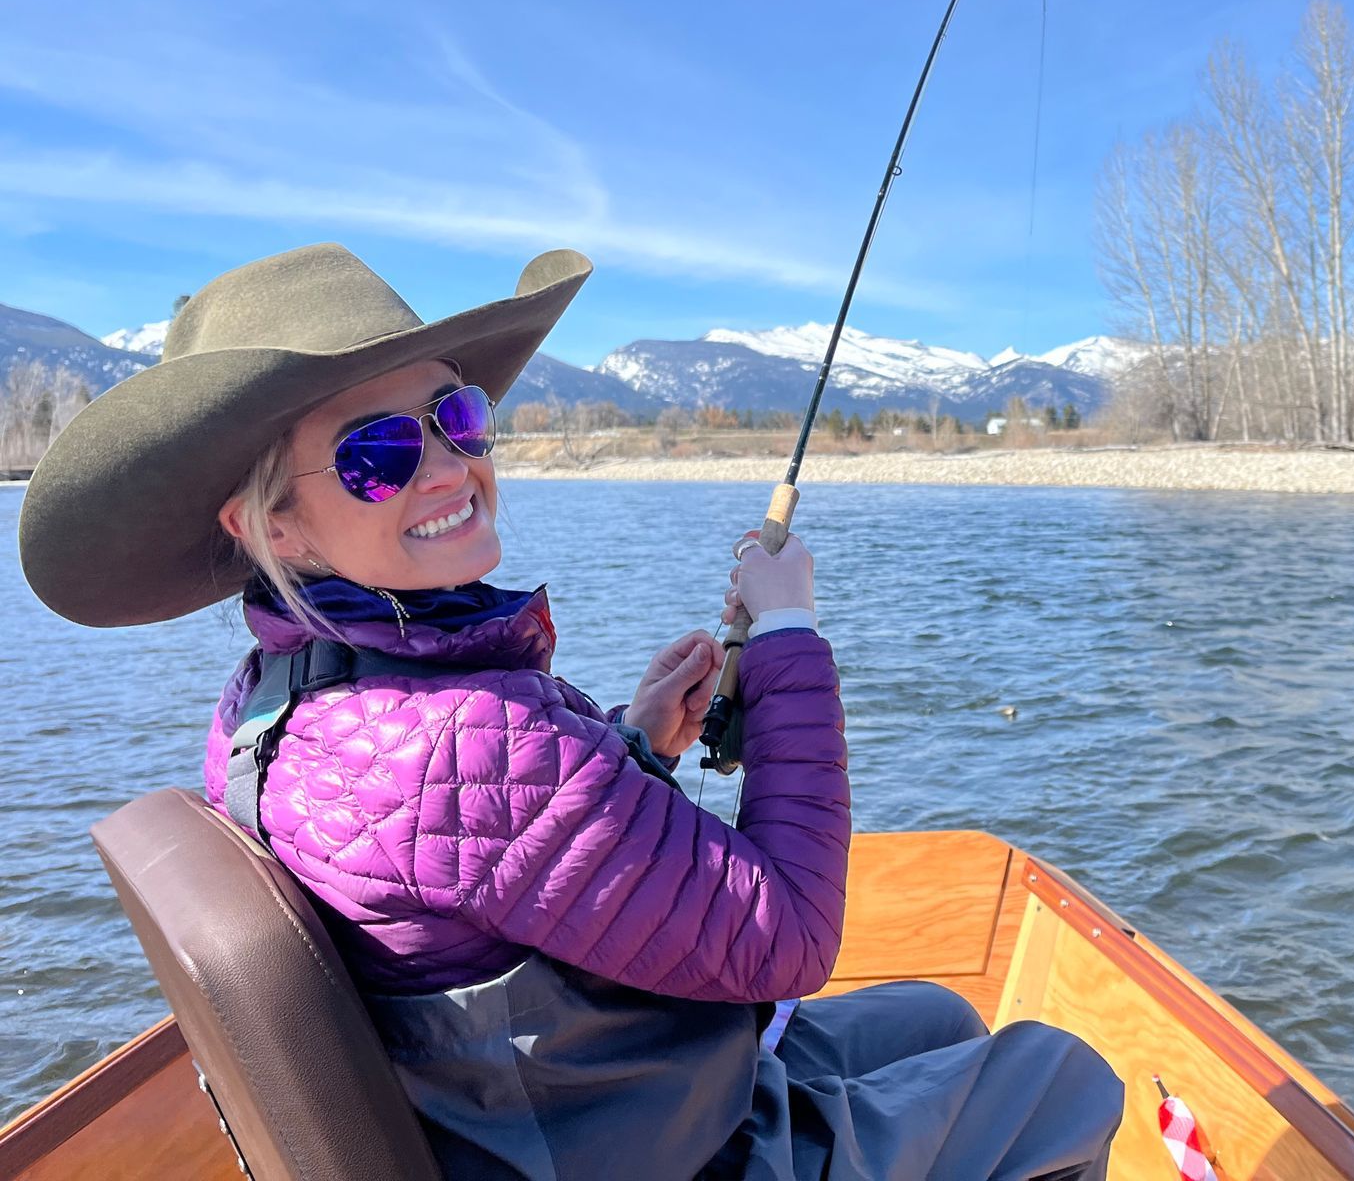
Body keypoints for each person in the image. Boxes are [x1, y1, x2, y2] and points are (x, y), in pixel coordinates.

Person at [17, 243, 1123, 1180]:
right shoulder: (460, 741)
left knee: (933, 1017)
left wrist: (634, 746)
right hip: (658, 1152)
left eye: (454, 414)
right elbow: (789, 937)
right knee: (1063, 1078)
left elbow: (468, 863)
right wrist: (786, 637)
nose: (448, 466)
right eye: (377, 453)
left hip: (539, 1124)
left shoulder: (273, 707)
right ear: (277, 530)